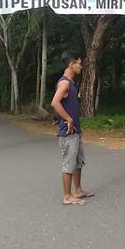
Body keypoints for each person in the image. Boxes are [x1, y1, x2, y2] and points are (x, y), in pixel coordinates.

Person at [51, 51, 95, 206]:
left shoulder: (71, 83)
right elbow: (55, 102)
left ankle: (78, 190)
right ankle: (67, 196)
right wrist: (68, 119)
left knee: (77, 162)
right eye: (79, 63)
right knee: (69, 164)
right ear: (71, 64)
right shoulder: (64, 83)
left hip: (75, 131)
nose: (81, 67)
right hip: (67, 132)